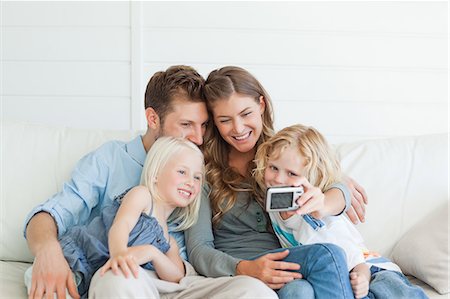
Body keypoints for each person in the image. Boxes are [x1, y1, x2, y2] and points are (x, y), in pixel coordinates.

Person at [24, 65, 277, 299]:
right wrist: (48, 251)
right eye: (186, 124)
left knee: (254, 291)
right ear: (153, 119)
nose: (199, 138)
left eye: (204, 125)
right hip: (128, 274)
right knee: (118, 280)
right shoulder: (111, 159)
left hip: (182, 279)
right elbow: (50, 214)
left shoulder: (203, 163)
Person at [185, 66, 367, 299]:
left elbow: (336, 185)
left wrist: (328, 197)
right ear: (214, 122)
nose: (238, 128)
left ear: (261, 105)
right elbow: (199, 249)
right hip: (241, 268)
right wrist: (245, 268)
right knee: (326, 256)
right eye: (225, 120)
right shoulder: (203, 170)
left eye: (246, 114)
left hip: (289, 263)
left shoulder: (281, 154)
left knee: (299, 291)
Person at [253, 124, 428, 299]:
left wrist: (362, 278)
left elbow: (356, 260)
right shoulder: (277, 205)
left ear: (313, 177)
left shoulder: (318, 220)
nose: (278, 179)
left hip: (369, 268)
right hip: (333, 276)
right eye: (273, 168)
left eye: (292, 173)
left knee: (392, 291)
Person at [58, 136, 203, 298]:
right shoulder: (142, 196)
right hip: (77, 259)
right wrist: (119, 253)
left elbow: (177, 277)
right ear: (156, 174)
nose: (191, 182)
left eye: (197, 177)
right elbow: (121, 225)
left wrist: (153, 253)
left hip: (101, 281)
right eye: (182, 172)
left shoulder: (168, 241)